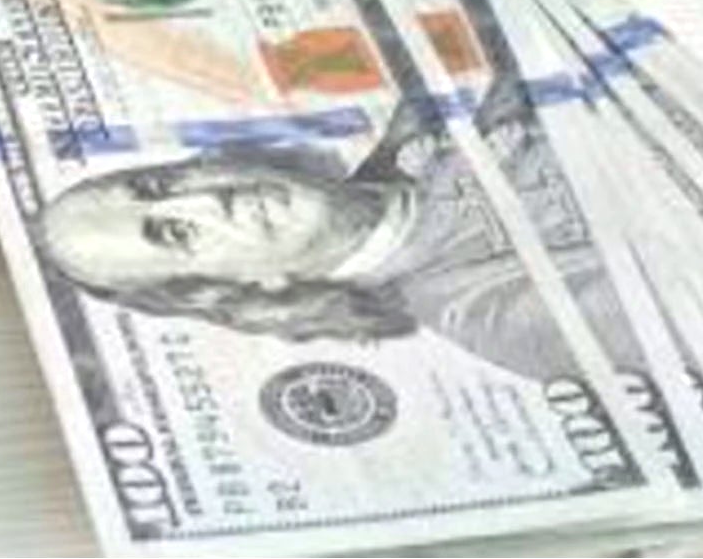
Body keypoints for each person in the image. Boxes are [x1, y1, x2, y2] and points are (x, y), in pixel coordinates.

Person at [36, 68, 604, 384]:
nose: (211, 201)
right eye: (177, 233)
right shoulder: (495, 315)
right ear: (245, 287)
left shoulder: (429, 94)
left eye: (158, 186)